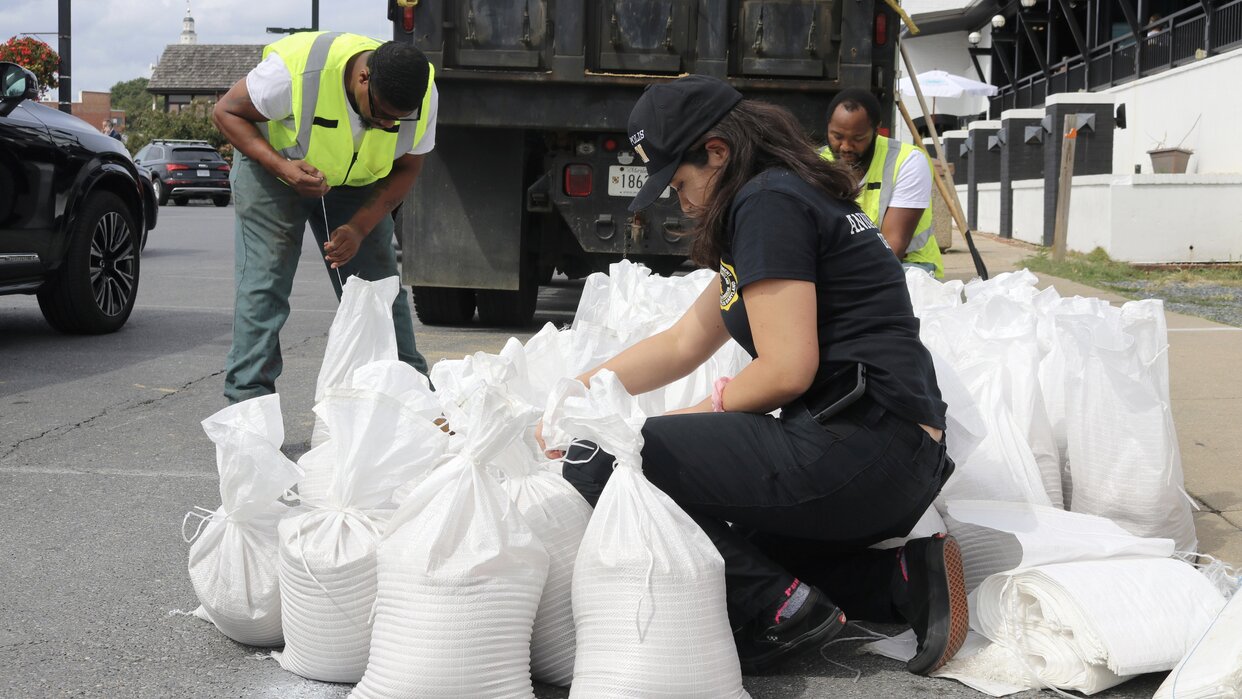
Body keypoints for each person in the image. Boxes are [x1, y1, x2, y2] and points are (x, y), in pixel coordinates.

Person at [536, 75, 967, 676]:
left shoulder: (767, 204)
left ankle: (779, 610)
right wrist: (571, 395)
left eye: (679, 184)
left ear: (716, 152)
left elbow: (786, 370)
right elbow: (683, 343)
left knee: (603, 459)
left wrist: (640, 431)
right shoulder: (785, 195)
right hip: (893, 454)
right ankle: (900, 579)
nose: (681, 203)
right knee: (730, 551)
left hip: (862, 445)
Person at [211, 31, 436, 404]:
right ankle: (249, 405)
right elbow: (225, 112)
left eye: (398, 120)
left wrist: (359, 227)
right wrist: (284, 168)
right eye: (381, 114)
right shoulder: (291, 75)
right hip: (274, 170)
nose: (387, 125)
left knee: (377, 291)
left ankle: (411, 398)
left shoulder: (422, 91)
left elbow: (408, 167)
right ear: (363, 78)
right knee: (265, 285)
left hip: (357, 180)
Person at [821, 88, 944, 278]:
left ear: (876, 130)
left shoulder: (907, 161)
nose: (845, 147)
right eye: (837, 137)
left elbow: (892, 246)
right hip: (842, 267)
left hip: (909, 266)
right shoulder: (817, 163)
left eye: (858, 139)